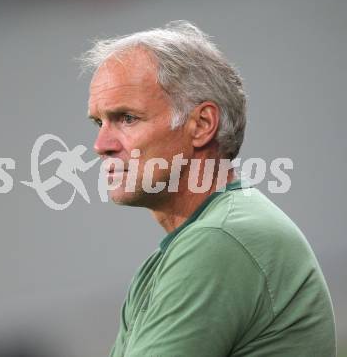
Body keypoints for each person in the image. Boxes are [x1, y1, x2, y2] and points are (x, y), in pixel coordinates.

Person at [81, 21, 336, 356]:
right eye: (100, 123)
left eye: (127, 118)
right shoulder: (191, 246)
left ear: (201, 125)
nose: (101, 144)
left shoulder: (220, 239)